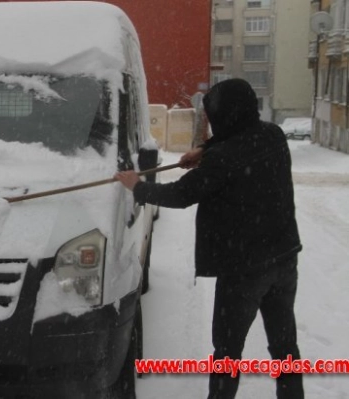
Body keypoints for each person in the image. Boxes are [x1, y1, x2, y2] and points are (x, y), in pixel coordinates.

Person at [115, 78, 303, 399]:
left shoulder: (223, 159)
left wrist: (137, 186)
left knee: (227, 354)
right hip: (284, 260)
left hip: (243, 270)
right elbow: (238, 139)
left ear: (223, 115)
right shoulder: (273, 135)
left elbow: (181, 193)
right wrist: (204, 149)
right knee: (285, 347)